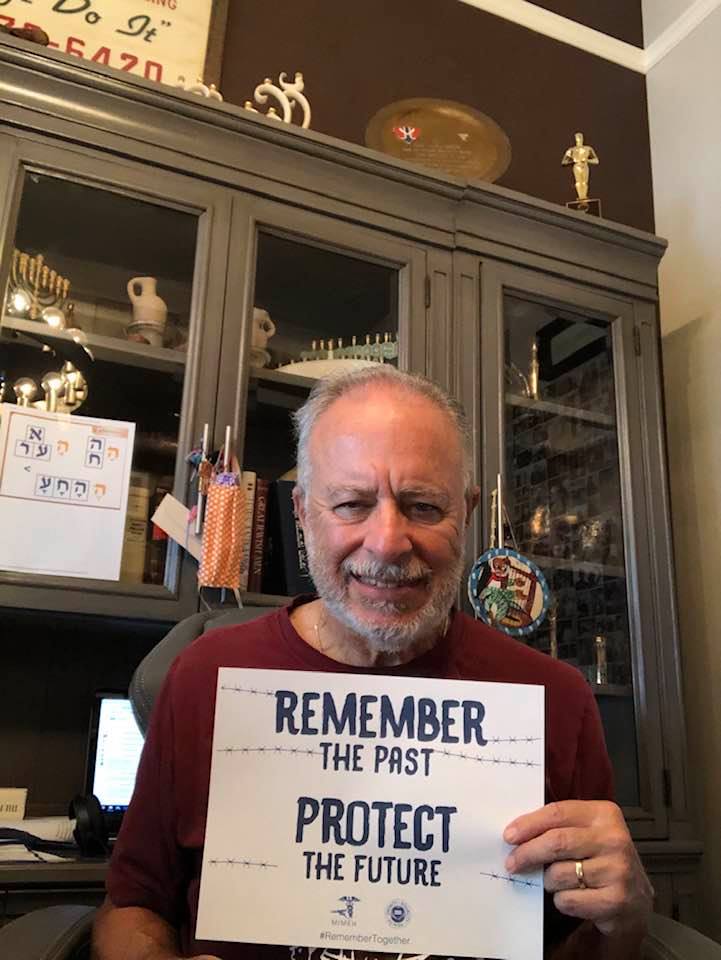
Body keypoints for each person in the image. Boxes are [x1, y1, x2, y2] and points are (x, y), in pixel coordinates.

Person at [92, 366, 652, 960]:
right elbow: (131, 906)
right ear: (303, 515)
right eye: (353, 504)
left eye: (423, 506)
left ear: (466, 510)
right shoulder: (206, 675)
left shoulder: (554, 698)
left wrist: (628, 909)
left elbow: (590, 939)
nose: (387, 542)